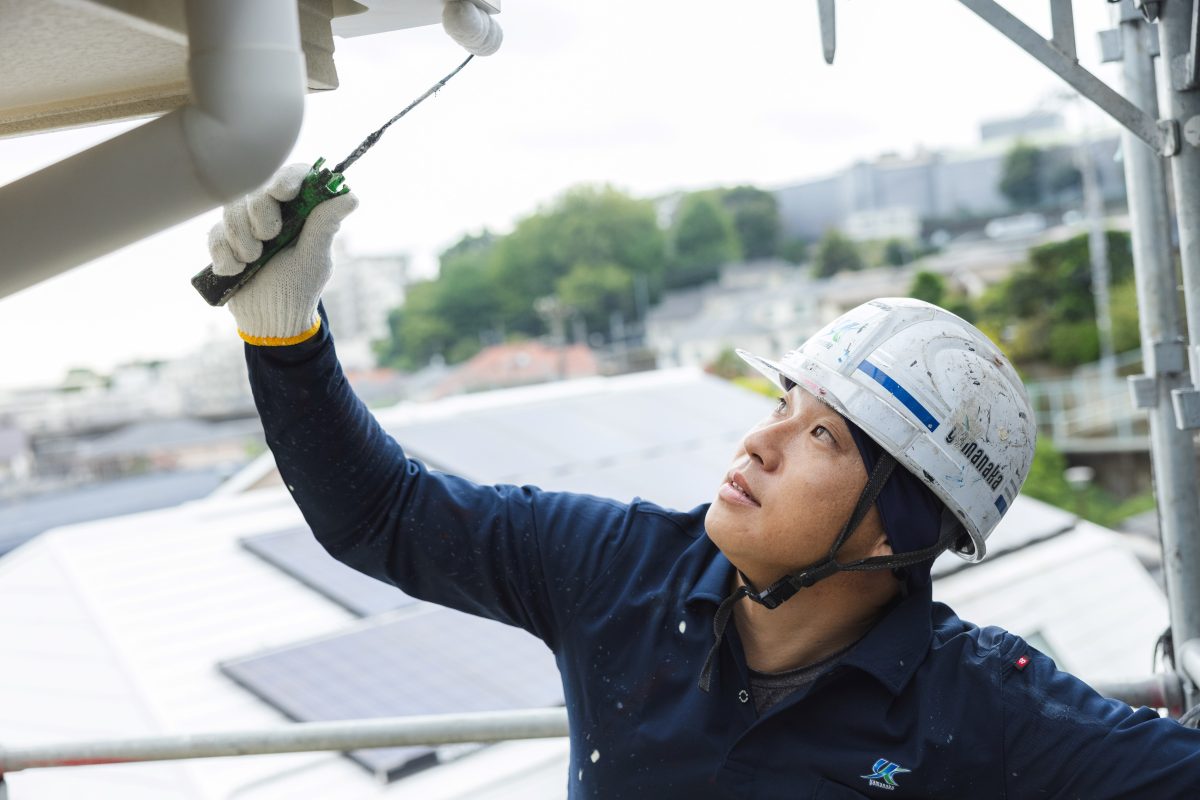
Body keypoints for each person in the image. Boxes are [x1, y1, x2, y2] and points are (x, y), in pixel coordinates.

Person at [209, 164, 1200, 798]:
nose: (760, 442)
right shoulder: (619, 571)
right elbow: (384, 514)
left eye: (823, 433)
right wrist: (282, 329)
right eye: (781, 402)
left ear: (897, 524)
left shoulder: (977, 706)